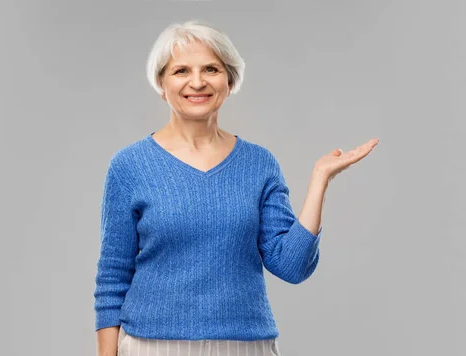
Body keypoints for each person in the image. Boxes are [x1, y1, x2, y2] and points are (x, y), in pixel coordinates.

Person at [94, 19, 379, 356]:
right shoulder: (129, 165)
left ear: (229, 81)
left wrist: (320, 179)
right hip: (153, 346)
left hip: (245, 346)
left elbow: (292, 265)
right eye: (181, 70)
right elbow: (112, 278)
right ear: (161, 83)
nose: (197, 82)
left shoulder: (260, 164)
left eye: (211, 69)